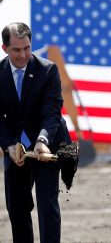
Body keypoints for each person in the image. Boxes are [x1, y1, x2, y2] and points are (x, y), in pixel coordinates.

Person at [0, 22, 71, 243]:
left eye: (27, 48)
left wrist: (42, 139)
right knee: (18, 209)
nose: (23, 55)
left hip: (45, 145)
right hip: (15, 148)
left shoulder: (48, 70)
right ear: (5, 48)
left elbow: (52, 111)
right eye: (16, 49)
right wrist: (9, 145)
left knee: (47, 206)